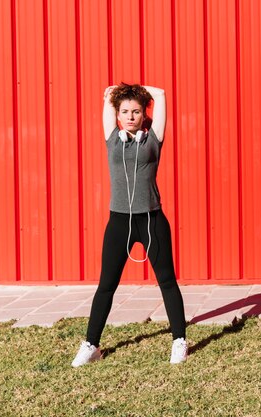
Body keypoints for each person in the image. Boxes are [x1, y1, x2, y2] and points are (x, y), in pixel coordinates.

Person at [72, 83, 187, 367]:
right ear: (119, 116)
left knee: (167, 282)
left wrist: (136, 90)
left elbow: (160, 95)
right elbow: (108, 100)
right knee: (106, 286)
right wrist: (114, 93)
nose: (131, 116)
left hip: (151, 221)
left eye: (136, 111)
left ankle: (179, 341)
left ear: (143, 115)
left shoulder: (153, 141)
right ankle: (91, 345)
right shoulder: (113, 138)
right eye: (125, 111)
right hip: (119, 223)